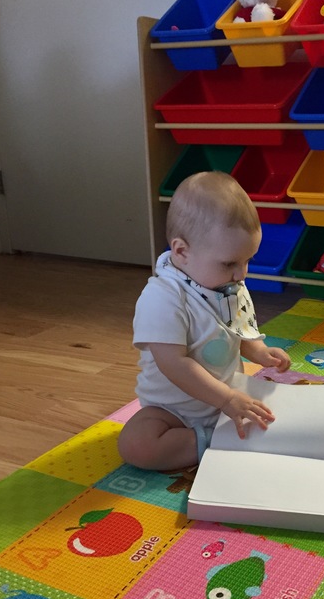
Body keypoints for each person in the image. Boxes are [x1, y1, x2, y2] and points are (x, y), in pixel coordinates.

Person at [118, 171, 291, 471]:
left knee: (277, 417)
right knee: (137, 445)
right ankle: (210, 440)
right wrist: (226, 399)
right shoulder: (162, 297)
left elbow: (239, 331)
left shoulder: (228, 285)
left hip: (227, 400)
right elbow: (174, 364)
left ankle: (222, 434)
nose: (242, 273)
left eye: (247, 260)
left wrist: (261, 352)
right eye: (230, 263)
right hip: (172, 411)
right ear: (181, 251)